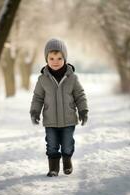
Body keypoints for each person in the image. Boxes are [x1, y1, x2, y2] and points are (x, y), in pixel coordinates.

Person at [30, 38, 88, 177]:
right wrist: (35, 111)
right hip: (51, 120)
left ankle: (67, 161)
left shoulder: (72, 78)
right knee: (51, 144)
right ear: (46, 59)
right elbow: (38, 97)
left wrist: (83, 110)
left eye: (59, 58)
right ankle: (53, 168)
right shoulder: (42, 79)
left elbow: (80, 95)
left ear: (65, 59)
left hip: (68, 119)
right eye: (51, 58)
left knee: (67, 144)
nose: (55, 61)